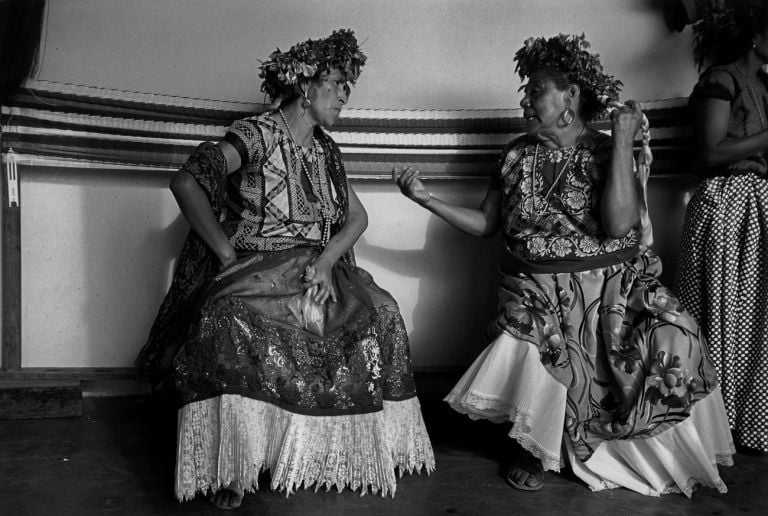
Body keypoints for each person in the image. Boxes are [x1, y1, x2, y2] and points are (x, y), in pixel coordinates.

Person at [394, 34, 734, 496]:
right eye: (526, 93)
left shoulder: (606, 150)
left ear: (570, 95)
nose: (525, 101)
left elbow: (618, 228)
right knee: (527, 332)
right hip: (535, 286)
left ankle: (633, 445)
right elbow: (486, 223)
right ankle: (534, 446)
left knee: (677, 333)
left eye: (535, 91)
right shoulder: (514, 154)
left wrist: (622, 143)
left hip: (613, 286)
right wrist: (425, 199)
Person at [138, 29, 434, 509]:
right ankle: (236, 465)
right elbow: (187, 182)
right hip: (258, 264)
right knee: (227, 317)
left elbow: (356, 217)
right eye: (335, 83)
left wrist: (326, 262)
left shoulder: (325, 150)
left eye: (347, 86)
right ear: (303, 85)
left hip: (318, 266)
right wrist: (228, 256)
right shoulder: (256, 134)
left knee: (382, 312)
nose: (344, 95)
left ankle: (327, 456)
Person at [675, 0, 768, 454]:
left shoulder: (762, 85)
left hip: (756, 207)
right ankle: (711, 422)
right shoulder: (722, 79)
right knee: (720, 312)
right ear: (758, 36)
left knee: (752, 320)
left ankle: (745, 420)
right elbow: (709, 154)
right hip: (725, 206)